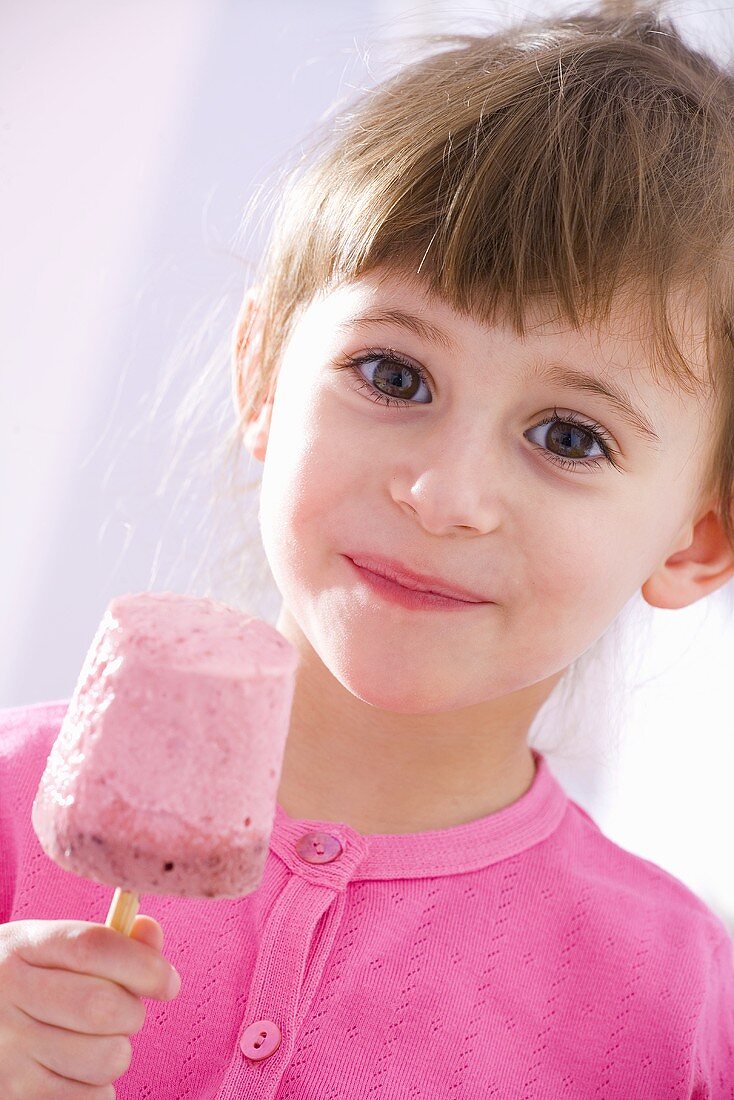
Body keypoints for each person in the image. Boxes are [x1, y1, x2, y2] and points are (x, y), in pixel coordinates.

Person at [2, 0, 734, 1095]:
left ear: (697, 539)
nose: (441, 496)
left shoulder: (678, 1003)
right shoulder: (15, 802)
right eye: (394, 376)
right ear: (259, 374)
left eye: (567, 436)